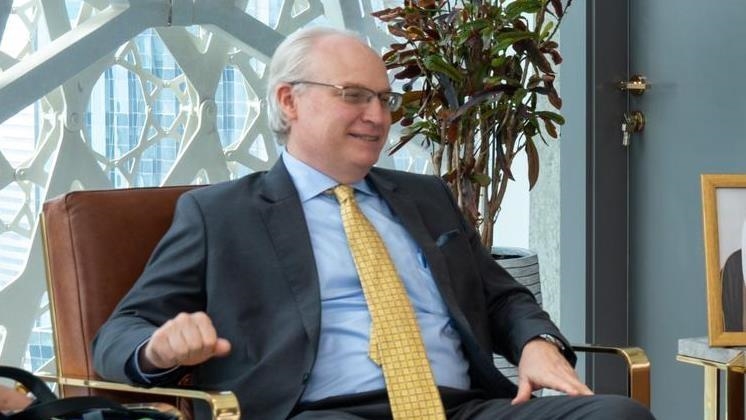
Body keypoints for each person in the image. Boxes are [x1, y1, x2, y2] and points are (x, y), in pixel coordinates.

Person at [92, 27, 654, 419]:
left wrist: (535, 341)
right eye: (354, 96)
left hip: (461, 407)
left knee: (616, 414)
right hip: (316, 411)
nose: (378, 116)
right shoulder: (220, 214)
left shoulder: (427, 197)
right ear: (289, 101)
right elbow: (121, 333)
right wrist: (158, 350)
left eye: (384, 99)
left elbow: (502, 297)